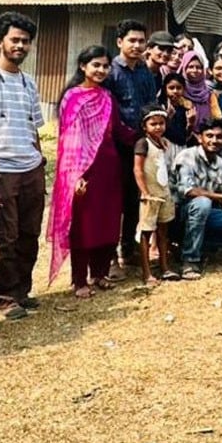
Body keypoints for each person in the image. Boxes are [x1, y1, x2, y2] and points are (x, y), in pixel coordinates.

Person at [49, 46, 135, 298]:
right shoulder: (72, 98)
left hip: (109, 168)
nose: (101, 70)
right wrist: (75, 177)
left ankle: (99, 274)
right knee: (83, 226)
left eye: (105, 66)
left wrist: (149, 133)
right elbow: (69, 141)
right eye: (96, 65)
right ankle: (79, 280)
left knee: (107, 222)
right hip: (82, 171)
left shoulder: (108, 97)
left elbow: (119, 131)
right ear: (82, 66)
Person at [0, 11, 46, 316]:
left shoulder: (29, 83)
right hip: (0, 168)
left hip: (30, 167)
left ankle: (22, 290)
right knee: (4, 236)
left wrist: (40, 160)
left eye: (26, 41)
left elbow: (34, 126)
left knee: (30, 233)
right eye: (14, 40)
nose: (20, 46)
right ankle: (4, 298)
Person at [107, 19, 158, 274]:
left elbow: (151, 107)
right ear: (120, 42)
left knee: (135, 199)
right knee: (113, 202)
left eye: (141, 41)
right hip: (115, 146)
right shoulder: (110, 72)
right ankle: (110, 258)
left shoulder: (145, 73)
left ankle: (128, 251)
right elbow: (106, 112)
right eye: (132, 40)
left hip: (140, 145)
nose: (137, 46)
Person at [174, 119, 222, 280]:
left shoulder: (220, 163)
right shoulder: (187, 156)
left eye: (219, 137)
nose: (214, 141)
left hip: (204, 215)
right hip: (177, 216)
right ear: (200, 137)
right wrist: (220, 197)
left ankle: (201, 247)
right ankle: (190, 260)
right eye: (209, 136)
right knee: (203, 202)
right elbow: (186, 191)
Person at [132, 105, 178, 285]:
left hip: (164, 192)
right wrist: (144, 192)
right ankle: (147, 273)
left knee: (163, 230)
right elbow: (138, 169)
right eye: (153, 124)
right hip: (150, 194)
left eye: (161, 123)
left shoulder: (163, 142)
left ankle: (165, 267)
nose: (158, 127)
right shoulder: (143, 143)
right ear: (145, 126)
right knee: (146, 231)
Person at [159, 74, 195, 147]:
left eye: (179, 88)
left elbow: (185, 137)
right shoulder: (160, 107)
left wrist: (190, 124)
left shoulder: (186, 108)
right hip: (164, 146)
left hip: (181, 147)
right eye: (171, 88)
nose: (175, 91)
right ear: (165, 90)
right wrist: (167, 118)